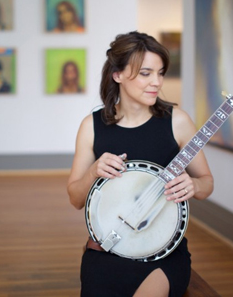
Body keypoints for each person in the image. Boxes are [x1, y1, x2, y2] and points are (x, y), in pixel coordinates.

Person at [66, 31, 214, 296]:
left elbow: (207, 184)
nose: (156, 82)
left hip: (162, 253)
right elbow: (76, 199)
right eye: (146, 73)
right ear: (118, 75)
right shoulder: (91, 127)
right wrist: (92, 172)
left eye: (160, 73)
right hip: (108, 249)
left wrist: (193, 185)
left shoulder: (177, 121)